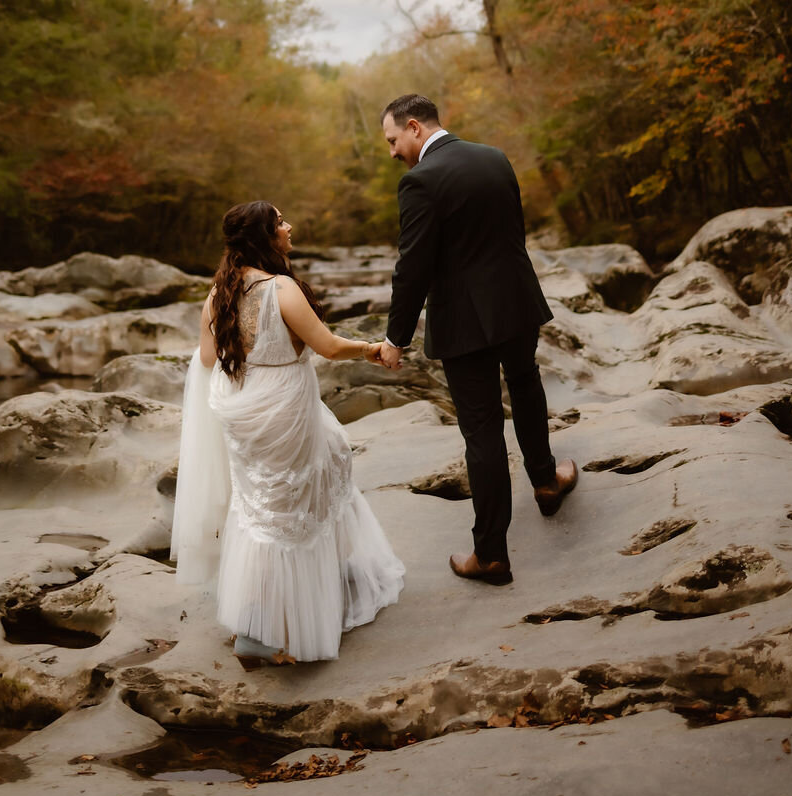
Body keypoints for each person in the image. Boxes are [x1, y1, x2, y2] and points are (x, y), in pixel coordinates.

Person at [170, 200, 404, 668]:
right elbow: (329, 346)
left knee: (262, 503)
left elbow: (207, 361)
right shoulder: (282, 289)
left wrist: (246, 380)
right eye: (280, 221)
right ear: (264, 236)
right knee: (296, 500)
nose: (289, 226)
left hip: (244, 411)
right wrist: (373, 349)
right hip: (286, 410)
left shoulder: (217, 296)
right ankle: (278, 619)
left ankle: (271, 610)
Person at [378, 94, 577, 585]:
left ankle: (490, 555)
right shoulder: (495, 157)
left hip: (465, 323)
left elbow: (413, 268)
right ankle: (547, 482)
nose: (392, 152)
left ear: (414, 127)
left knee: (483, 432)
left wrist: (395, 338)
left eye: (392, 140)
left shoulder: (419, 181)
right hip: (515, 302)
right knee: (526, 384)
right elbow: (514, 233)